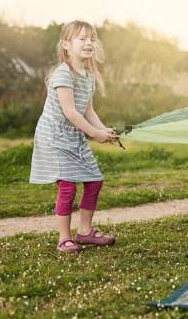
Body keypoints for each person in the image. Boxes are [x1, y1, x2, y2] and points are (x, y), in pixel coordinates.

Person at [29, 20, 119, 252]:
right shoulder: (63, 74)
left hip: (75, 136)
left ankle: (85, 232)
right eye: (82, 38)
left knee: (94, 181)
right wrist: (94, 134)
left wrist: (103, 130)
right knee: (67, 186)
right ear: (66, 45)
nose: (89, 43)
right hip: (55, 137)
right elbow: (70, 112)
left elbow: (88, 110)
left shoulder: (88, 76)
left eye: (92, 38)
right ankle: (64, 238)